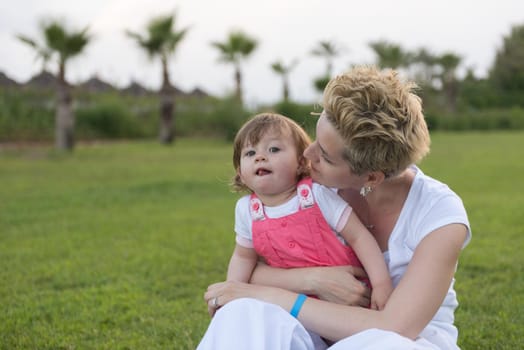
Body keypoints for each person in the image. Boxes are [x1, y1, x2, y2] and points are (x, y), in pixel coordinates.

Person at [198, 65, 471, 350]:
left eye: (325, 156)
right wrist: (315, 280)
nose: (307, 154)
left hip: (397, 342)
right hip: (313, 334)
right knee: (241, 314)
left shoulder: (439, 214)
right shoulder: (308, 189)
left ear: (371, 177)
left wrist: (278, 295)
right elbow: (251, 266)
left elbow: (395, 326)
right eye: (315, 140)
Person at [225, 113, 392, 313]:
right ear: (240, 174)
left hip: (347, 301)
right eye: (250, 153)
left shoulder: (316, 195)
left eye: (274, 149)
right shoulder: (246, 210)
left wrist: (381, 284)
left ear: (301, 162)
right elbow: (244, 257)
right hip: (291, 306)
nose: (260, 157)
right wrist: (232, 291)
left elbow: (359, 237)